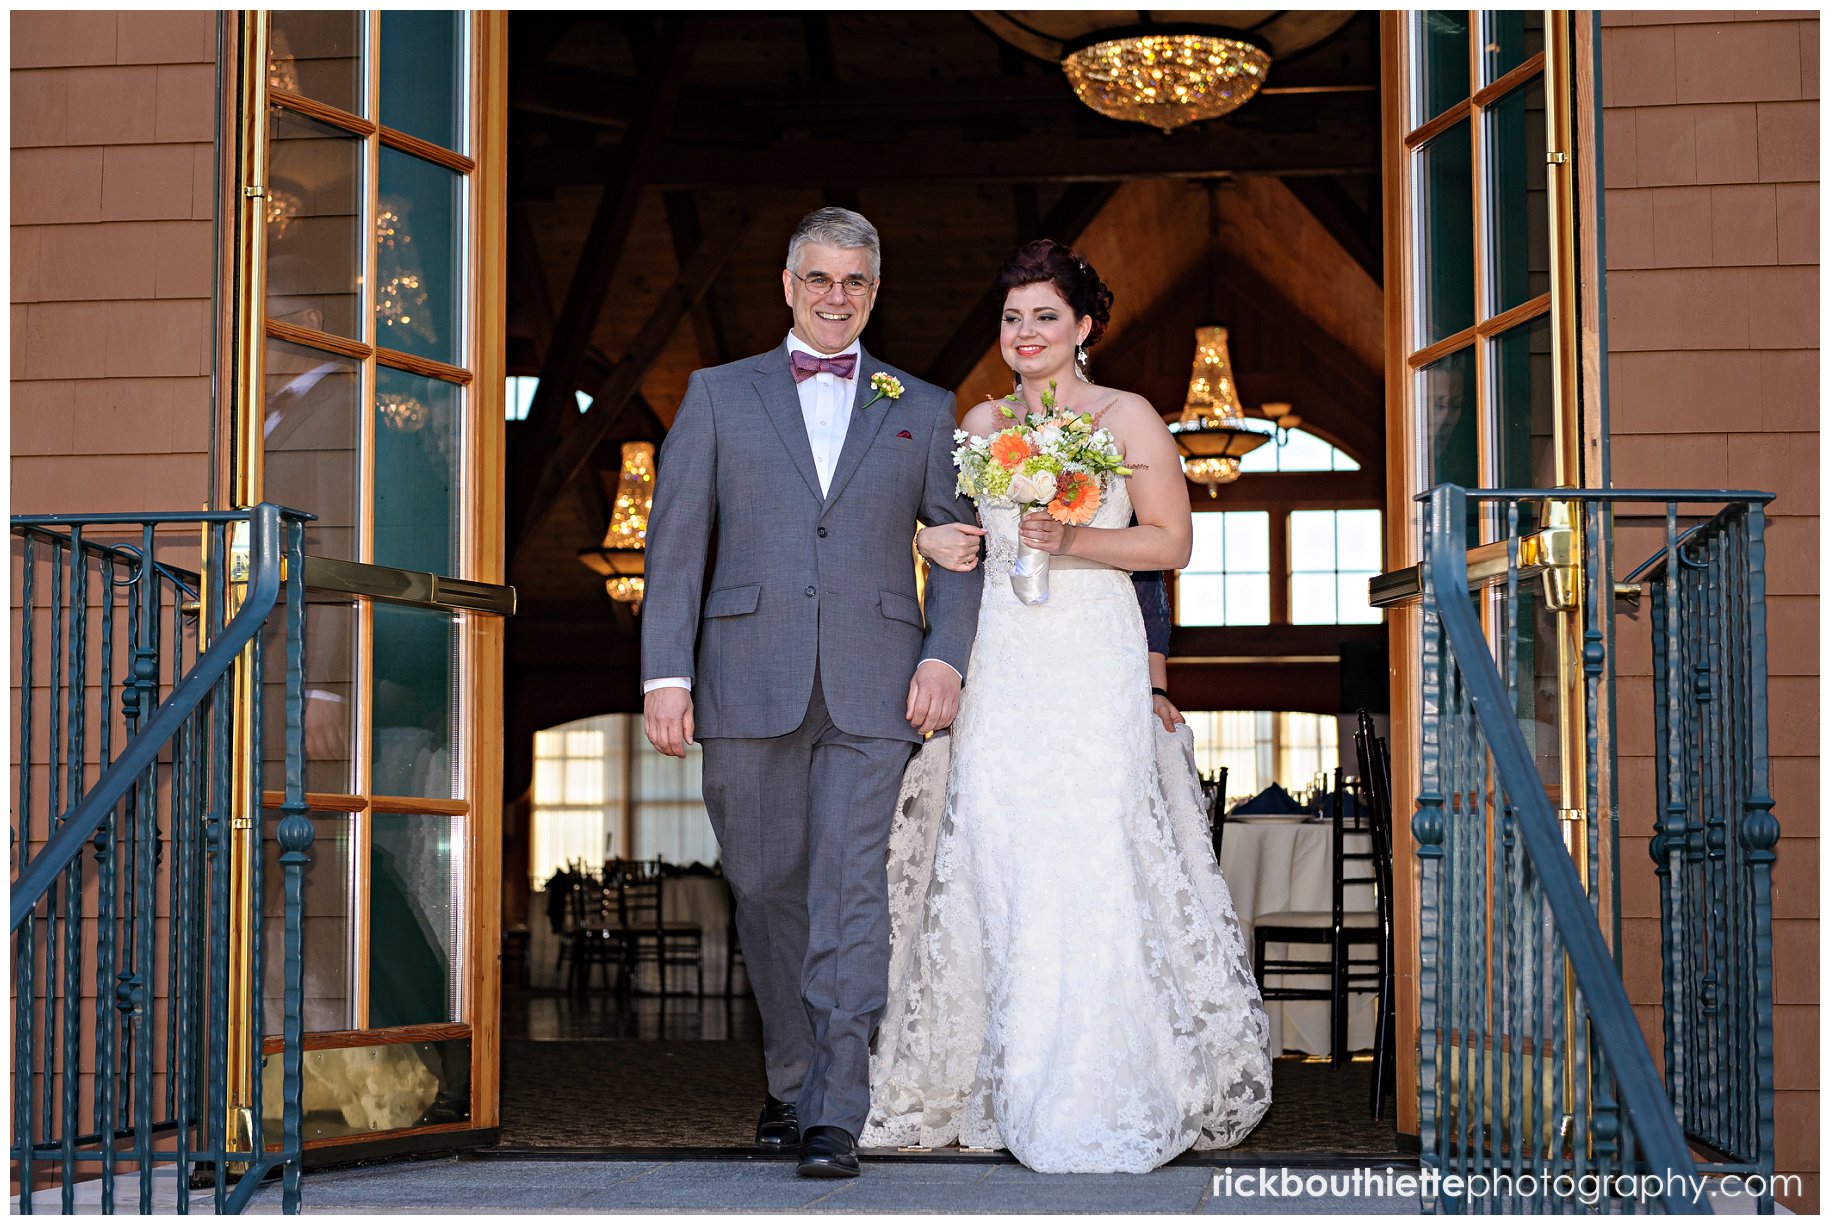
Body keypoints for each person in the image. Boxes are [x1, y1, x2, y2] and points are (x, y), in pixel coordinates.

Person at [866, 239, 1271, 1173]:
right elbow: (957, 534)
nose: (1025, 333)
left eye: (1045, 316)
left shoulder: (1125, 416)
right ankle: (1000, 1075)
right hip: (1002, 660)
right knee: (997, 849)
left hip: (1091, 660)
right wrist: (936, 543)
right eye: (1012, 318)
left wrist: (1077, 537)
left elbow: (1172, 545)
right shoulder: (978, 418)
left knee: (1090, 849)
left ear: (1083, 327)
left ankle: (1099, 1078)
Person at [640, 208, 983, 1179]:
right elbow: (674, 550)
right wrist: (668, 674)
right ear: (788, 285)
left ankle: (837, 1104)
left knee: (847, 891)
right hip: (744, 680)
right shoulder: (715, 395)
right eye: (820, 279)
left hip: (878, 687)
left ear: (876, 290)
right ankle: (791, 1078)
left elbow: (959, 550)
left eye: (856, 282)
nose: (838, 297)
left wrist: (945, 655)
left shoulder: (923, 403)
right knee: (765, 889)